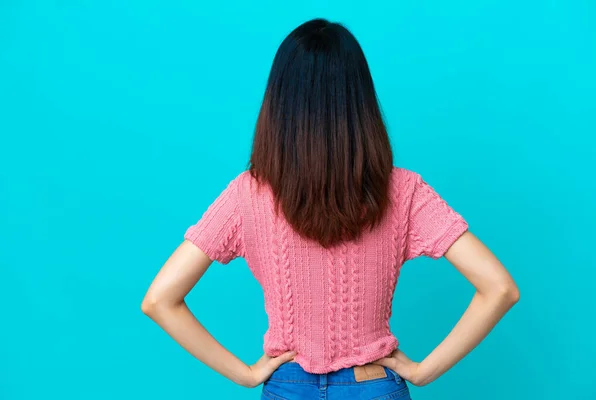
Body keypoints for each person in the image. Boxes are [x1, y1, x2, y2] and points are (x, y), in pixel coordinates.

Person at [141, 18, 520, 400]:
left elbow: (159, 300)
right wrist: (423, 372)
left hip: (288, 387)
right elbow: (499, 288)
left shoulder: (247, 195)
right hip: (373, 384)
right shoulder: (404, 191)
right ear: (360, 101)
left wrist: (244, 374)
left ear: (279, 102)